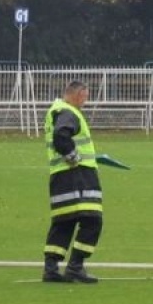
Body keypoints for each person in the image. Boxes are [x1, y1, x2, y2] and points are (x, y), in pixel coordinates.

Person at [42, 79, 103, 284]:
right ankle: (75, 267)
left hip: (59, 177)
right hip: (77, 176)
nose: (85, 100)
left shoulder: (56, 109)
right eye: (85, 96)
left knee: (64, 222)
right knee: (92, 220)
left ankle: (51, 269)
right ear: (76, 95)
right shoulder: (68, 112)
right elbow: (61, 136)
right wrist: (73, 156)